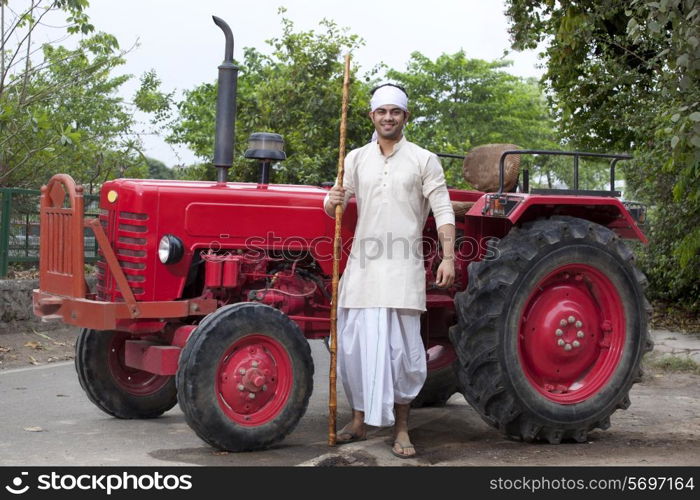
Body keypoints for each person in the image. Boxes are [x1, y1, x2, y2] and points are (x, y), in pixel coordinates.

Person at [323, 83, 456, 458]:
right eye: (381, 111)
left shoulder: (423, 159)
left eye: (394, 112)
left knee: (402, 354)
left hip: (402, 269)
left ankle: (401, 429)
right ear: (372, 116)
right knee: (355, 349)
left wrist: (448, 256)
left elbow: (443, 209)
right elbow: (337, 202)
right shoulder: (355, 158)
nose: (387, 117)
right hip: (363, 268)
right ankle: (359, 421)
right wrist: (330, 200)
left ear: (405, 117)